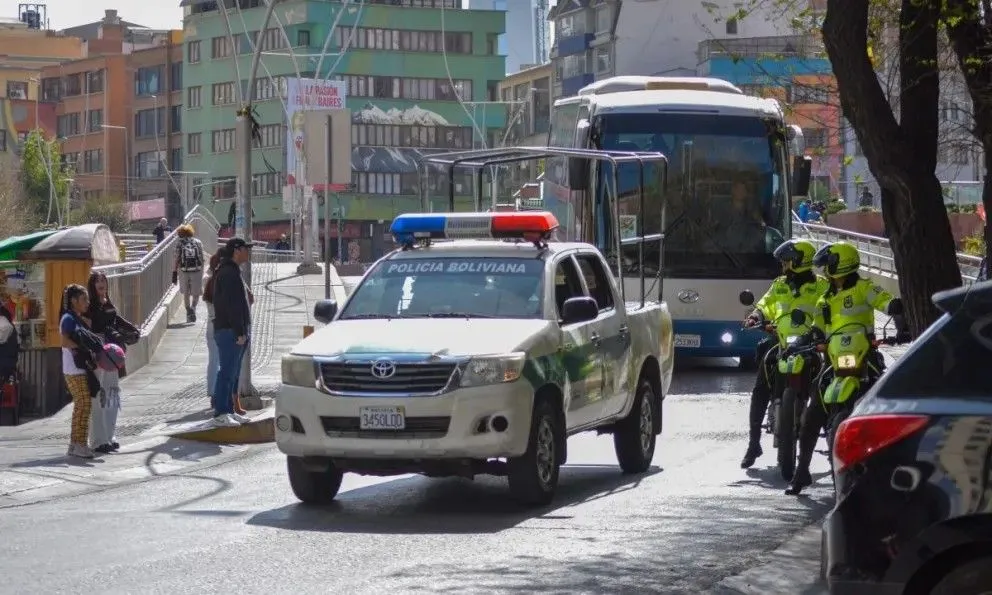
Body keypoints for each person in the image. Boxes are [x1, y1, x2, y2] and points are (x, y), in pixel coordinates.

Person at [785, 241, 910, 495]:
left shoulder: (865, 288)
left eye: (828, 265)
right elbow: (817, 328)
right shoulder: (825, 298)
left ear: (840, 264)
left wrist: (899, 319)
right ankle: (801, 472)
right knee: (812, 415)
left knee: (888, 397)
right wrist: (806, 341)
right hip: (835, 359)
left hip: (865, 357)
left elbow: (888, 303)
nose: (824, 271)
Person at [740, 240, 829, 469]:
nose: (783, 265)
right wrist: (756, 316)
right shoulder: (779, 284)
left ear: (800, 261)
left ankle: (833, 439)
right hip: (781, 343)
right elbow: (765, 304)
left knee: (827, 388)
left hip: (810, 346)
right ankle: (753, 443)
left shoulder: (821, 286)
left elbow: (830, 309)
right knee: (760, 387)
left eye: (787, 260)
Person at [86, 271, 139, 454]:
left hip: (112, 355)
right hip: (98, 355)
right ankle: (97, 439)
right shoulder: (90, 306)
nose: (101, 284)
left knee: (112, 394)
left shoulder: (108, 303)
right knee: (98, 397)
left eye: (103, 280)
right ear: (92, 286)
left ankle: (110, 435)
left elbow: (116, 320)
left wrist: (131, 329)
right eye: (97, 281)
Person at [210, 237, 253, 427]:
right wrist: (239, 331)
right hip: (228, 330)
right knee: (226, 372)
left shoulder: (232, 271)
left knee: (233, 372)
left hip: (232, 329)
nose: (248, 252)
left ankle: (229, 410)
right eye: (246, 249)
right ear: (237, 250)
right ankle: (221, 411)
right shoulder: (228, 273)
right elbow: (232, 305)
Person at [59, 284, 104, 459]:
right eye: (83, 299)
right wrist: (83, 349)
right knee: (83, 404)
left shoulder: (75, 318)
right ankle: (79, 444)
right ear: (73, 301)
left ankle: (75, 444)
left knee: (82, 405)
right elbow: (64, 342)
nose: (87, 302)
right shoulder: (68, 319)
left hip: (78, 368)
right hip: (73, 369)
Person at [172, 224, 205, 323]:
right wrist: (201, 271)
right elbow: (202, 258)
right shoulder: (198, 242)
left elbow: (176, 258)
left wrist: (174, 272)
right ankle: (193, 307)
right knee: (196, 293)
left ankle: (188, 311)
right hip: (197, 270)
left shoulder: (179, 243)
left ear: (180, 234)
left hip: (184, 270)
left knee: (186, 292)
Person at [0, 305, 18, 389]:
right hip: (7, 363)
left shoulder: (4, 324)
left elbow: (2, 338)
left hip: (4, 364)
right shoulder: (6, 324)